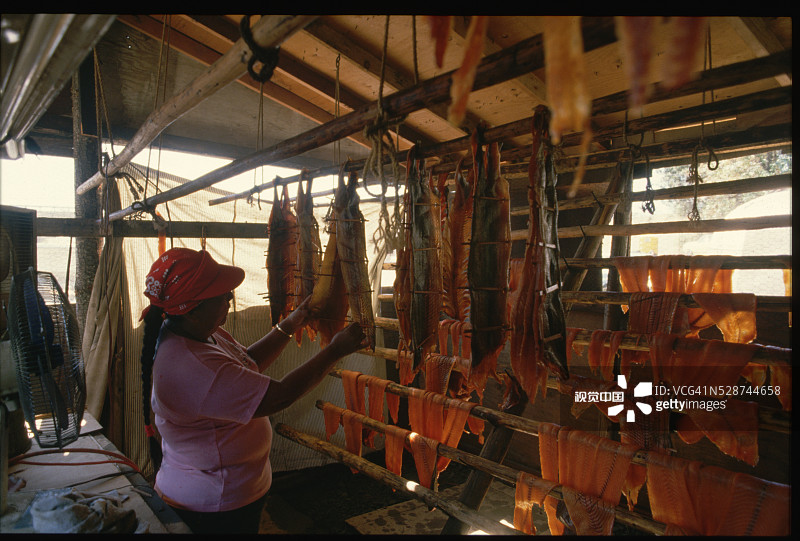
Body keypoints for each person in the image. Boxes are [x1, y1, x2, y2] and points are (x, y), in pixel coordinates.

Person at [138, 247, 366, 534]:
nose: (230, 299)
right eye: (222, 296)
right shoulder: (191, 367)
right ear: (192, 311)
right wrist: (334, 351)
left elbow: (248, 363)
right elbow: (279, 396)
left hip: (231, 491)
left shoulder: (199, 331)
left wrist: (293, 320)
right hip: (213, 507)